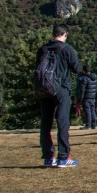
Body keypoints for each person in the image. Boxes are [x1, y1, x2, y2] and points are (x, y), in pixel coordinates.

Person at [37, 24, 81, 168]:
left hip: (44, 89)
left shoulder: (43, 49)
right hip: (61, 88)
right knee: (63, 123)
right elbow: (77, 68)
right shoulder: (66, 49)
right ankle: (63, 157)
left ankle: (48, 157)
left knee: (45, 124)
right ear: (65, 34)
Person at [76, 65, 97, 130]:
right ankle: (94, 125)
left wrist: (80, 98)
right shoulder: (94, 77)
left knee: (87, 111)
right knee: (92, 110)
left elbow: (82, 90)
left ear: (84, 70)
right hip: (92, 96)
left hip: (86, 97)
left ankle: (88, 125)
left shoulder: (84, 78)